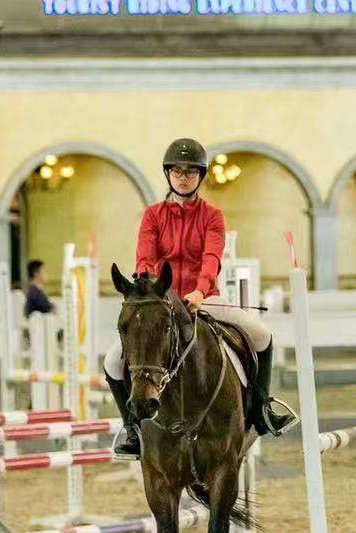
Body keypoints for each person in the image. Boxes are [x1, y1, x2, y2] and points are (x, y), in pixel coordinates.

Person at [103, 138, 295, 457]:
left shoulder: (212, 216)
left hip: (203, 299)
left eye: (191, 171)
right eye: (177, 171)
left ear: (200, 176)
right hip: (161, 303)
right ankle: (133, 429)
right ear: (168, 175)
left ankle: (262, 408)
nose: (183, 177)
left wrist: (201, 289)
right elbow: (145, 258)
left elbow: (212, 256)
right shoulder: (152, 216)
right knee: (112, 361)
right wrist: (149, 286)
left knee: (262, 335)